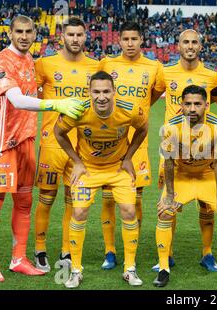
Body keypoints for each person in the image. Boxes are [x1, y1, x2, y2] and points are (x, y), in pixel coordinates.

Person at [0, 15, 85, 282]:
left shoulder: (30, 59)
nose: (23, 36)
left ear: (35, 33)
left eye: (29, 31)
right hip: (3, 142)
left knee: (24, 202)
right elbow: (17, 100)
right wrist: (56, 104)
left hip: (27, 140)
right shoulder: (0, 61)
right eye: (18, 31)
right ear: (10, 33)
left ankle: (19, 258)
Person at [54, 71, 148, 288]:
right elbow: (58, 132)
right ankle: (76, 270)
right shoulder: (78, 110)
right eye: (96, 92)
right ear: (89, 92)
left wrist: (129, 157)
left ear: (114, 91)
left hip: (117, 169)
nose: (101, 96)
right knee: (78, 212)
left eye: (106, 91)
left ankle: (130, 268)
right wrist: (76, 162)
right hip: (88, 170)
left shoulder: (130, 109)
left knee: (129, 210)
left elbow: (143, 129)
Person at [151, 29, 217, 273]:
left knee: (208, 206)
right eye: (185, 42)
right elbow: (149, 99)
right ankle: (168, 255)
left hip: (204, 145)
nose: (190, 46)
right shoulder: (165, 72)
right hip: (173, 146)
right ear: (178, 45)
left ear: (200, 45)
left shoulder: (211, 75)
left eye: (194, 42)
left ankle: (207, 253)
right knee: (169, 201)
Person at [153, 85, 217, 287]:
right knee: (165, 212)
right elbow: (168, 162)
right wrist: (169, 196)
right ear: (181, 105)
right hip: (181, 176)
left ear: (207, 105)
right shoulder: (170, 127)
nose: (192, 109)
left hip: (207, 176)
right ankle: (164, 267)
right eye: (188, 104)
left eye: (197, 104)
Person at [98, 21, 165, 270]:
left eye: (134, 39)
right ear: (119, 40)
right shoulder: (107, 64)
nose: (129, 44)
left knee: (135, 199)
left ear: (141, 40)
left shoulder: (154, 67)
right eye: (125, 39)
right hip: (108, 141)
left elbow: (154, 95)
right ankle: (110, 251)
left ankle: (130, 249)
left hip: (139, 143)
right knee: (108, 199)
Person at [33, 17, 99, 273]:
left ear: (85, 36)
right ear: (62, 36)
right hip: (51, 144)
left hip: (81, 148)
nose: (75, 39)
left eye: (79, 35)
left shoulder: (96, 66)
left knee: (74, 201)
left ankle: (67, 250)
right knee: (46, 198)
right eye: (70, 34)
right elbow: (28, 95)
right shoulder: (45, 64)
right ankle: (40, 249)